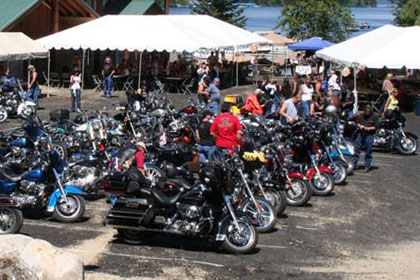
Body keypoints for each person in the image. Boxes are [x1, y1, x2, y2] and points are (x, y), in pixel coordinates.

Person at [353, 105, 378, 172]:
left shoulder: (374, 117)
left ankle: (367, 166)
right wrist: (360, 126)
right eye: (366, 111)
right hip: (361, 133)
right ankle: (354, 164)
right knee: (356, 149)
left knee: (368, 151)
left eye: (368, 111)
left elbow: (376, 126)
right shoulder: (361, 115)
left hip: (369, 134)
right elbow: (357, 123)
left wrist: (369, 128)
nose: (367, 113)